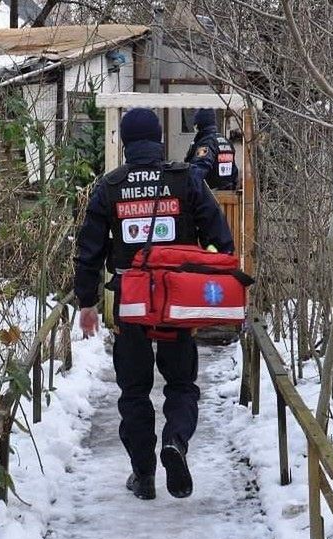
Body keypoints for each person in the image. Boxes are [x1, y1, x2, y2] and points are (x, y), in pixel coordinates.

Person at [74, 108, 234, 500]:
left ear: (126, 143)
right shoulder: (186, 180)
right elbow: (221, 240)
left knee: (133, 391)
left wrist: (87, 302)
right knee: (181, 384)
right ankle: (175, 443)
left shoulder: (109, 186)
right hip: (176, 303)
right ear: (159, 139)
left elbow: (89, 251)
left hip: (131, 301)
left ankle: (143, 475)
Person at [184, 108, 239, 190]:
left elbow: (198, 170)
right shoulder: (226, 141)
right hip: (228, 195)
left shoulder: (206, 143)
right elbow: (234, 171)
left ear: (199, 125)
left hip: (210, 195)